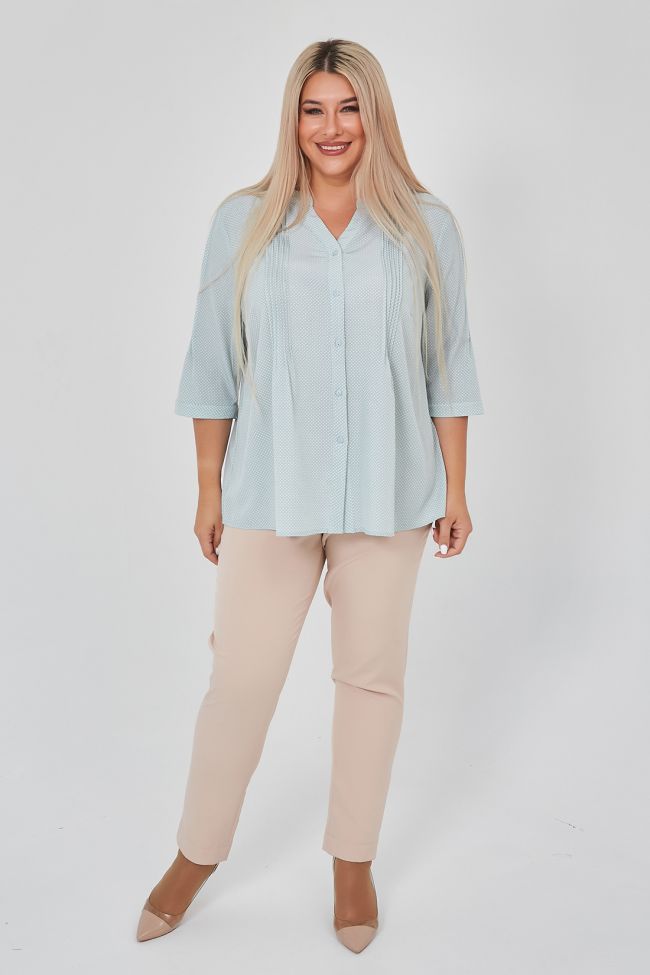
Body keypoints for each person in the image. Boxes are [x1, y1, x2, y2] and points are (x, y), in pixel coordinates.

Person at [136, 37, 484, 953]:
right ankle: (196, 853)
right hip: (268, 490)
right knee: (240, 682)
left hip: (391, 491)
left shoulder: (428, 227)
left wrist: (457, 485)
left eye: (349, 107)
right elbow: (211, 364)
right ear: (293, 120)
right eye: (314, 109)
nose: (333, 128)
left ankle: (352, 860)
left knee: (370, 681)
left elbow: (448, 361)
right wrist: (208, 489)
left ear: (375, 115)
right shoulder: (243, 222)